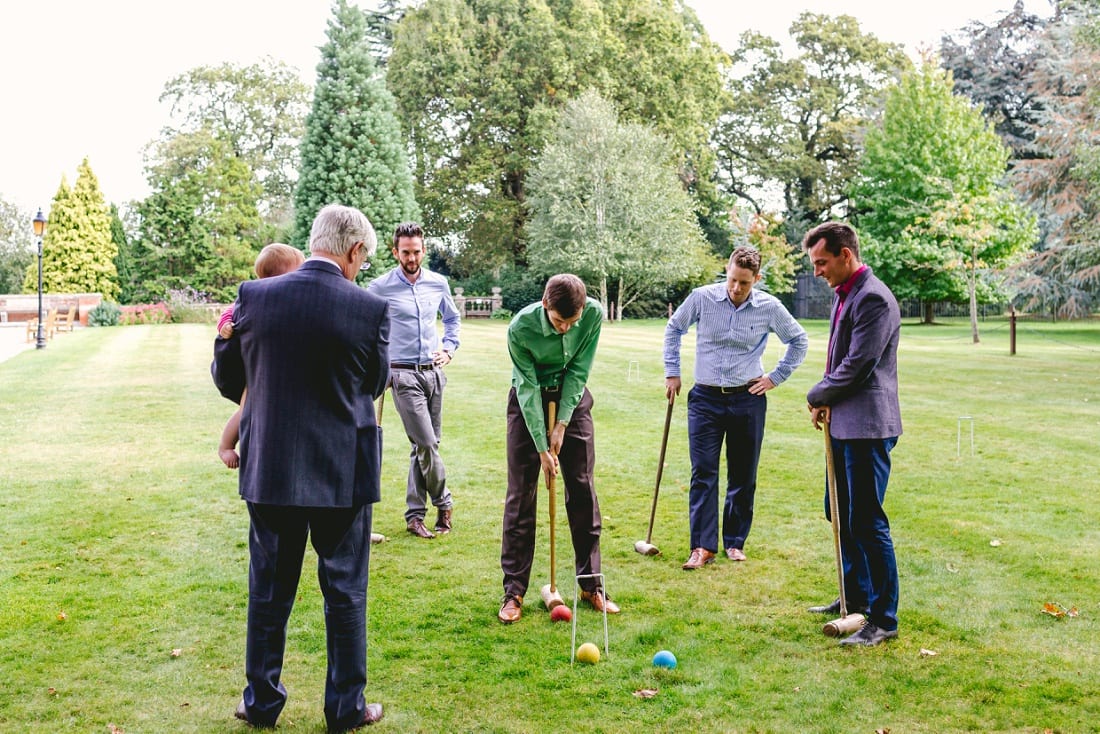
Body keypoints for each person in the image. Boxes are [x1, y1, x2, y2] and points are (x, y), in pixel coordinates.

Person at [212, 204, 390, 729]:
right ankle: (346, 708)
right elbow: (374, 383)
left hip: (271, 468)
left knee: (268, 592)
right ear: (354, 250)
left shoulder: (254, 297)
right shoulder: (370, 309)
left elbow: (228, 380)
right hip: (343, 470)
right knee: (345, 593)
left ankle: (261, 703)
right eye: (364, 258)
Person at [664, 246, 808, 570]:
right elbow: (674, 328)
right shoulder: (702, 298)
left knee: (744, 473)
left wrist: (776, 377)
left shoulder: (770, 307)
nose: (735, 288)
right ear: (726, 271)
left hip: (748, 398)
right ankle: (702, 546)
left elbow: (799, 341)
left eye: (744, 282)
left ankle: (734, 541)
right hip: (705, 398)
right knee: (703, 472)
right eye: (732, 280)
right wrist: (672, 371)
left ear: (756, 278)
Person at [497, 274, 620, 623]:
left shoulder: (593, 316)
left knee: (582, 488)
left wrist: (563, 423)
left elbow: (579, 371)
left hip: (572, 398)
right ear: (545, 304)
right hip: (529, 402)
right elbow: (526, 386)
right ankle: (514, 592)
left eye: (572, 322)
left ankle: (590, 584)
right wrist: (541, 446)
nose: (566, 329)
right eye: (559, 322)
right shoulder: (521, 328)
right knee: (522, 495)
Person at [802, 221, 902, 648]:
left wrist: (816, 392)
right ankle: (854, 597)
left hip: (868, 427)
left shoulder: (874, 298)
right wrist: (829, 399)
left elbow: (859, 364)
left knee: (866, 518)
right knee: (839, 512)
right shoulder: (844, 294)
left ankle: (883, 618)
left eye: (822, 262)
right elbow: (839, 359)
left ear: (846, 255)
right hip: (845, 421)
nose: (817, 272)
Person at [366, 222, 461, 539]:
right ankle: (444, 503)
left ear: (424, 250)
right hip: (401, 374)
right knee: (425, 443)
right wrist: (381, 367)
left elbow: (452, 319)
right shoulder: (380, 288)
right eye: (405, 252)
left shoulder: (438, 283)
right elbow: (366, 327)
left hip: (434, 374)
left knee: (423, 448)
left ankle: (415, 515)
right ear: (395, 252)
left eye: (417, 251)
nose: (411, 257)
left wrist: (449, 348)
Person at [216, 243, 306, 469]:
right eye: (298, 271)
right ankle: (226, 446)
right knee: (247, 409)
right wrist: (225, 325)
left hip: (273, 372)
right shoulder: (253, 297)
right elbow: (231, 311)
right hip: (257, 374)